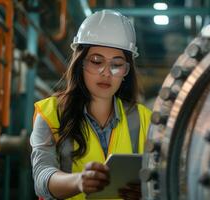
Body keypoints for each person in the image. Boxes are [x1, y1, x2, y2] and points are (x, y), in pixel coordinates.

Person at [30, 9, 152, 200]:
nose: (106, 73)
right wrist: (79, 182)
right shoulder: (50, 113)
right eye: (96, 61)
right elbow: (41, 178)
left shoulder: (145, 118)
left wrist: (147, 191)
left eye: (117, 64)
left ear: (126, 70)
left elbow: (163, 177)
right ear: (80, 63)